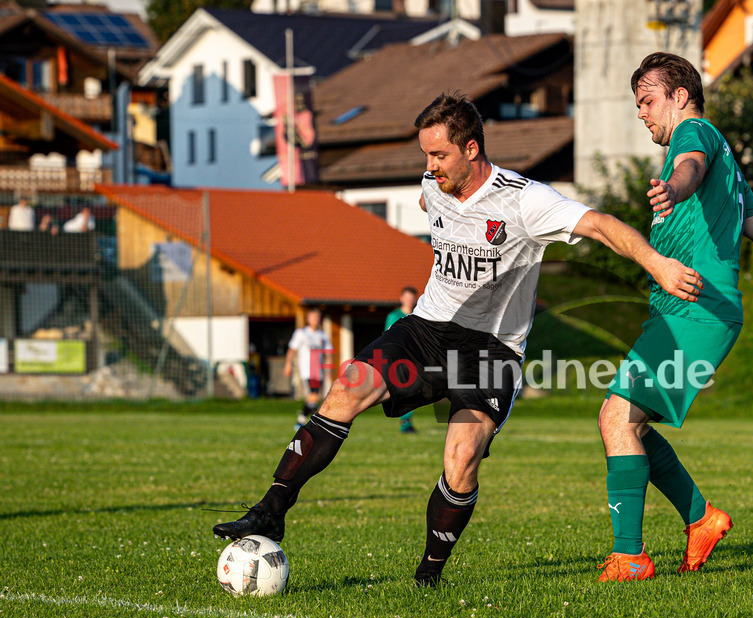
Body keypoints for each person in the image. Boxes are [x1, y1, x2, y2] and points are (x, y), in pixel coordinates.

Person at [214, 92, 704, 586]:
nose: (430, 167)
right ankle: (271, 509)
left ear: (472, 149)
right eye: (426, 156)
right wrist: (433, 186)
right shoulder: (434, 183)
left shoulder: (524, 200)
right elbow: (431, 199)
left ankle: (429, 574)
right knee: (346, 388)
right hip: (425, 330)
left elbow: (601, 225)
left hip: (491, 353)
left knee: (462, 456)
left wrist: (658, 265)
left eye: (439, 155)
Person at [595, 52, 753, 583]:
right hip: (684, 310)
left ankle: (630, 558)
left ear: (679, 96)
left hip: (695, 310)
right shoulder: (728, 165)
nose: (642, 114)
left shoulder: (694, 135)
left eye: (647, 101)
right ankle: (700, 519)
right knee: (632, 424)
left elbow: (687, 166)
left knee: (615, 417)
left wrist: (674, 186)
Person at [284, 309, 333, 430]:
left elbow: (328, 353)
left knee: (314, 397)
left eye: (317, 317)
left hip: (319, 371)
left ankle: (301, 421)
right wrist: (288, 364)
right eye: (313, 317)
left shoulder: (322, 335)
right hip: (307, 370)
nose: (315, 320)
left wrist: (328, 369)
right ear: (308, 319)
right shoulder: (301, 333)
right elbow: (292, 349)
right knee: (313, 396)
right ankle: (316, 423)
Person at [385, 286, 419, 434]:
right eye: (407, 297)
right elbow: (388, 336)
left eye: (412, 297)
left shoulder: (418, 315)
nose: (410, 300)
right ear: (401, 298)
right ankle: (404, 423)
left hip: (415, 358)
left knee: (413, 390)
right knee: (403, 389)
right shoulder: (394, 316)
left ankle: (406, 423)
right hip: (399, 358)